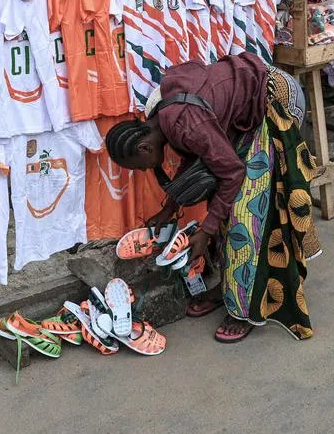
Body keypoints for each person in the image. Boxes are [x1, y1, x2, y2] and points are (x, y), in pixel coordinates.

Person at [104, 53, 322, 343]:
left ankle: (244, 310)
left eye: (142, 166)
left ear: (144, 147)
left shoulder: (184, 122)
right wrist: (170, 207)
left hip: (275, 99)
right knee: (221, 205)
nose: (146, 170)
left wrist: (205, 232)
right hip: (246, 102)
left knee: (245, 219)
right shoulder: (164, 118)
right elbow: (198, 156)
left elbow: (232, 171)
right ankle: (227, 287)